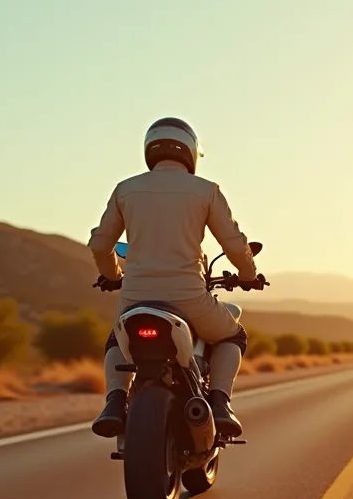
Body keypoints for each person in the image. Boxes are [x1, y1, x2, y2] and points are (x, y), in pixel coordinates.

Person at [87, 117, 258, 440]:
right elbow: (234, 244)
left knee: (116, 339)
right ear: (191, 152)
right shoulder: (206, 191)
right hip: (189, 297)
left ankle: (114, 403)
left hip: (135, 297)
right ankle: (220, 404)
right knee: (232, 336)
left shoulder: (126, 190)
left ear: (151, 149)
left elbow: (100, 244)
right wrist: (248, 275)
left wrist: (113, 274)